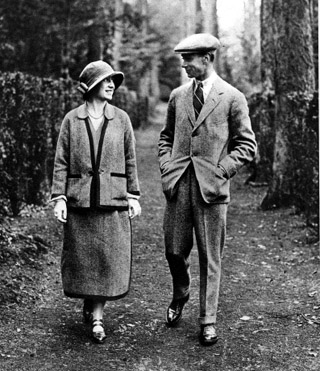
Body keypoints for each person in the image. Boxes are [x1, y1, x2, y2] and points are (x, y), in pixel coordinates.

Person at [158, 33, 257, 346]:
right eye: (183, 58)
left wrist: (222, 170)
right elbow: (165, 137)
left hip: (212, 188)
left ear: (207, 58)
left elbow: (246, 145)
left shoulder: (232, 97)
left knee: (210, 257)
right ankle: (181, 293)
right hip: (179, 185)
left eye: (189, 58)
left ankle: (207, 320)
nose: (184, 64)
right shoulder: (178, 96)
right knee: (174, 250)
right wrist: (167, 165)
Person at [51, 60, 141, 344]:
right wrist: (59, 197)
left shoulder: (122, 118)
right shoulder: (71, 120)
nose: (112, 85)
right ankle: (90, 303)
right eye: (106, 81)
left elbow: (130, 159)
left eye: (113, 80)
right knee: (85, 261)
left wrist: (133, 195)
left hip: (111, 200)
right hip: (81, 201)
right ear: (91, 86)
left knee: (106, 260)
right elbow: (61, 161)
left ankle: (98, 317)